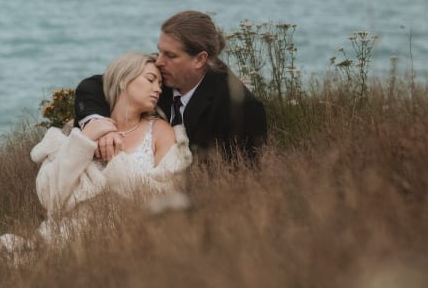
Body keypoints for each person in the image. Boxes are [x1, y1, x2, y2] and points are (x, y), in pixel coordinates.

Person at [74, 11, 266, 163]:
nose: (159, 61)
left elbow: (242, 177)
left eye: (170, 55)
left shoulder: (242, 108)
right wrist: (101, 126)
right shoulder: (161, 75)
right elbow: (92, 86)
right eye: (160, 51)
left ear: (200, 59)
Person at [32, 52, 192, 214]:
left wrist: (117, 159)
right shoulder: (83, 129)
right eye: (150, 80)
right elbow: (49, 198)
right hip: (66, 234)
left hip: (129, 233)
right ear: (123, 80)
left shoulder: (161, 131)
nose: (157, 89)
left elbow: (166, 199)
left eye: (160, 85)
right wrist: (84, 140)